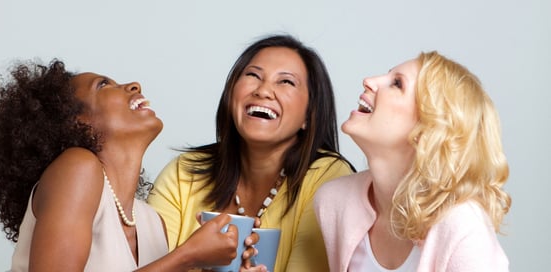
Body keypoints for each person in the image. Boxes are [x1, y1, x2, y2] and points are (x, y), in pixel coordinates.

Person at [0, 59, 262, 271]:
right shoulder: (76, 168)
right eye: (103, 85)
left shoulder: (152, 223)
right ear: (75, 122)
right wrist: (188, 255)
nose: (134, 85)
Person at [147, 34, 356, 272]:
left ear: (309, 115)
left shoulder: (328, 177)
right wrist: (191, 256)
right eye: (253, 75)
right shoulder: (184, 171)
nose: (264, 90)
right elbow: (147, 264)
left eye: (286, 82)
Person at [314, 51, 511, 271]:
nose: (369, 81)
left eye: (397, 84)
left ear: (427, 128)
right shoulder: (333, 202)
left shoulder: (462, 226)